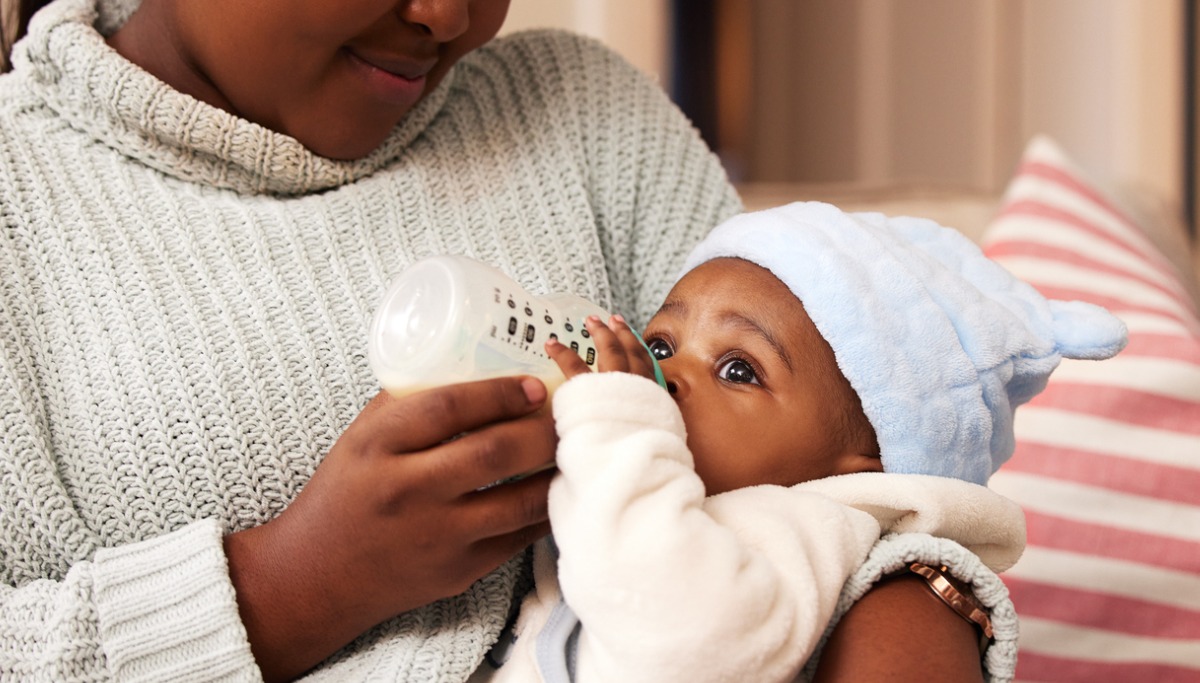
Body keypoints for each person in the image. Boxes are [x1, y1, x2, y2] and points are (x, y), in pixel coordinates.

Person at [0, 0, 1064, 680]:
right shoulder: (21, 212)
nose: (450, 14)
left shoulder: (580, 115)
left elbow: (831, 443)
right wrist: (296, 582)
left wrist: (905, 602)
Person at [478, 201, 1127, 682]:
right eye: (660, 345)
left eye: (738, 369)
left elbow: (685, 646)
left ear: (867, 460)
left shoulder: (819, 536)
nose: (664, 378)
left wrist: (614, 431)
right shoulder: (649, 489)